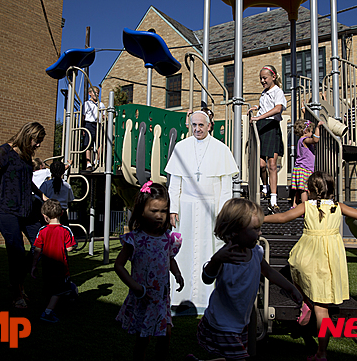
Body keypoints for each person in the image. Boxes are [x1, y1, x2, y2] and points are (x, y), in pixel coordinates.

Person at [264, 172, 357, 361]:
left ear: (309, 191)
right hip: (329, 258)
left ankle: (303, 302)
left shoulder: (307, 206)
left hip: (308, 252)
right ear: (331, 190)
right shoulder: (337, 206)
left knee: (294, 266)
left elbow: (283, 217)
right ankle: (322, 352)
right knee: (322, 309)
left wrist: (261, 219)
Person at [192, 198, 303, 361]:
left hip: (240, 322)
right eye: (255, 229)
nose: (260, 233)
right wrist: (216, 260)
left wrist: (290, 288)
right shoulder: (226, 256)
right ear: (236, 230)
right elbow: (207, 279)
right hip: (222, 323)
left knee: (231, 358)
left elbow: (270, 272)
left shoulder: (256, 252)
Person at [165, 110, 239, 314]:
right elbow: (175, 182)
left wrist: (222, 212)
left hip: (210, 209)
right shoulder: (181, 147)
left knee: (210, 250)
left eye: (201, 125)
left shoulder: (221, 149)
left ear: (209, 126)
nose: (197, 129)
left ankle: (208, 299)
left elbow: (226, 186)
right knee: (183, 252)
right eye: (194, 125)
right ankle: (181, 296)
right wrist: (172, 209)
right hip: (186, 209)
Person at [0, 122, 47, 309]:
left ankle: (17, 280)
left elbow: (29, 183)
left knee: (41, 244)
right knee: (16, 251)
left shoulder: (26, 157)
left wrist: (44, 197)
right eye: (37, 140)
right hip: (7, 211)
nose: (39, 145)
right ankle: (17, 293)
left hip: (27, 210)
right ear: (27, 135)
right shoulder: (3, 152)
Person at [115, 181, 184, 360]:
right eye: (154, 211)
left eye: (163, 211)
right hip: (143, 298)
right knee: (143, 339)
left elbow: (169, 258)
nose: (160, 215)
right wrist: (134, 286)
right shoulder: (135, 239)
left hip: (161, 299)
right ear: (141, 211)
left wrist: (177, 274)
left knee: (166, 334)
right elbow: (119, 266)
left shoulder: (168, 239)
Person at [248, 65, 287, 214]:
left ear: (273, 77)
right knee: (261, 164)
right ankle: (264, 186)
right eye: (261, 78)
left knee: (272, 164)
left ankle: (273, 199)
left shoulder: (278, 92)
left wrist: (259, 117)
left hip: (271, 126)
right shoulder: (264, 93)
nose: (262, 81)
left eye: (265, 78)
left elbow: (278, 108)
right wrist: (257, 108)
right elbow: (266, 107)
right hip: (262, 126)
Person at [31, 199, 77, 323]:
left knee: (51, 288)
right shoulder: (65, 230)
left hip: (46, 266)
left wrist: (34, 266)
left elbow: (37, 250)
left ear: (45, 216)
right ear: (61, 213)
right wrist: (74, 246)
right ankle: (48, 312)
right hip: (60, 267)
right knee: (59, 290)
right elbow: (69, 247)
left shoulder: (42, 231)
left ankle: (53, 306)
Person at [292, 119, 323, 208]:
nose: (312, 133)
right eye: (311, 131)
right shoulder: (305, 140)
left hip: (301, 168)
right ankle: (304, 207)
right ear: (306, 131)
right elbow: (315, 140)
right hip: (304, 168)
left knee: (299, 189)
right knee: (304, 190)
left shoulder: (300, 140)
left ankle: (294, 205)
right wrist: (318, 127)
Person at [40, 160, 74, 226]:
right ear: (63, 172)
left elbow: (39, 198)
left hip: (48, 214)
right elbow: (70, 201)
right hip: (62, 214)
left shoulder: (46, 184)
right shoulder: (67, 186)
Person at [82, 86, 105, 171]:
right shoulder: (87, 103)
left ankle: (97, 161)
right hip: (89, 124)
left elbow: (103, 115)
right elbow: (83, 116)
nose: (96, 94)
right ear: (90, 93)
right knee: (88, 144)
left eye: (98, 92)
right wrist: (82, 127)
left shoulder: (101, 104)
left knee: (101, 143)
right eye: (94, 92)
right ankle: (88, 163)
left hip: (98, 124)